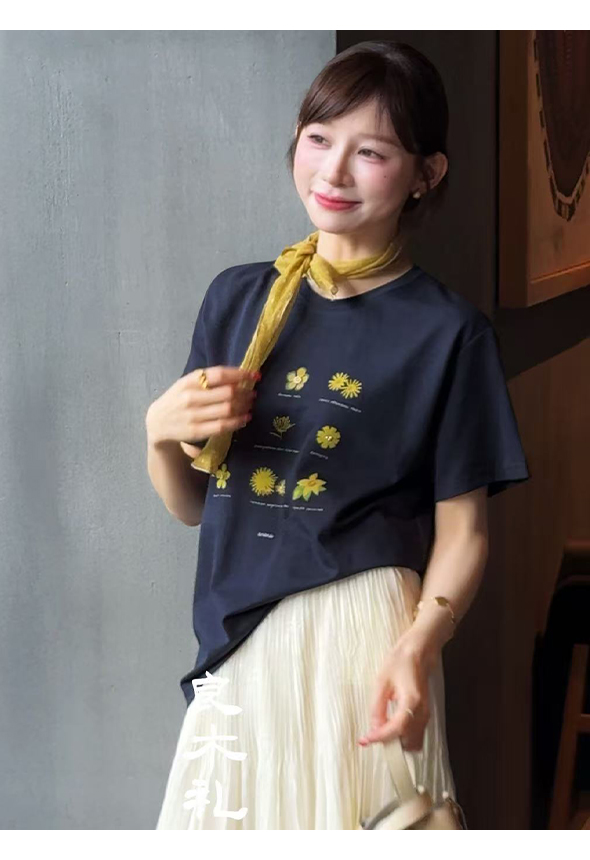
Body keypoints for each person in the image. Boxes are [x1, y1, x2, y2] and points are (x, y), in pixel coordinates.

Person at [146, 40, 530, 829]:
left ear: (426, 173)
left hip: (368, 635)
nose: (333, 171)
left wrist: (419, 645)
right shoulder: (239, 299)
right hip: (236, 630)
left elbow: (464, 530)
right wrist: (158, 433)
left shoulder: (448, 333)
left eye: (372, 152)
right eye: (319, 139)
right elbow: (194, 505)